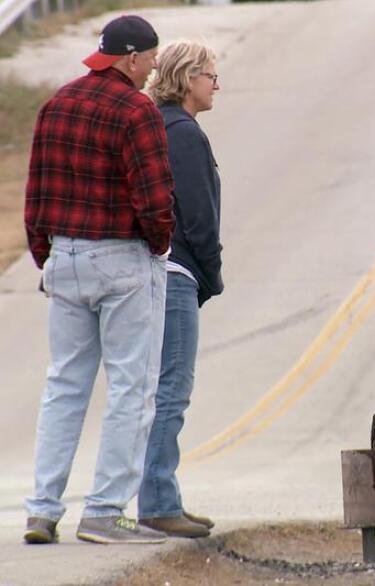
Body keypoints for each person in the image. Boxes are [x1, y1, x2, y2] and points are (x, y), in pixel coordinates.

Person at [23, 15, 175, 544]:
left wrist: (46, 254)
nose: (153, 70)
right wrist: (157, 247)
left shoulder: (56, 103)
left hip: (63, 256)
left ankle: (41, 510)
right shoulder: (137, 111)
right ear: (131, 59)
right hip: (121, 257)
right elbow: (155, 198)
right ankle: (105, 513)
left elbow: (35, 193)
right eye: (151, 60)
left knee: (64, 385)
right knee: (131, 387)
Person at [137, 41, 224, 538]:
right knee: (171, 390)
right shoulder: (184, 133)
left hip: (157, 271)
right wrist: (210, 274)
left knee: (152, 390)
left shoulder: (157, 125)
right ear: (189, 77)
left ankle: (159, 496)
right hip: (177, 274)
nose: (216, 86)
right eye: (211, 76)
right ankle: (157, 501)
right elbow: (197, 217)